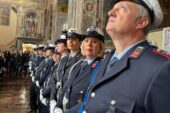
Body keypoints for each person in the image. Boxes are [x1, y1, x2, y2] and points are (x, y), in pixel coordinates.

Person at [65, 0, 170, 113]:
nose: (110, 13)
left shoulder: (161, 68)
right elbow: (91, 104)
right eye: (113, 8)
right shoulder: (109, 59)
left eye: (122, 8)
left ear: (141, 22)